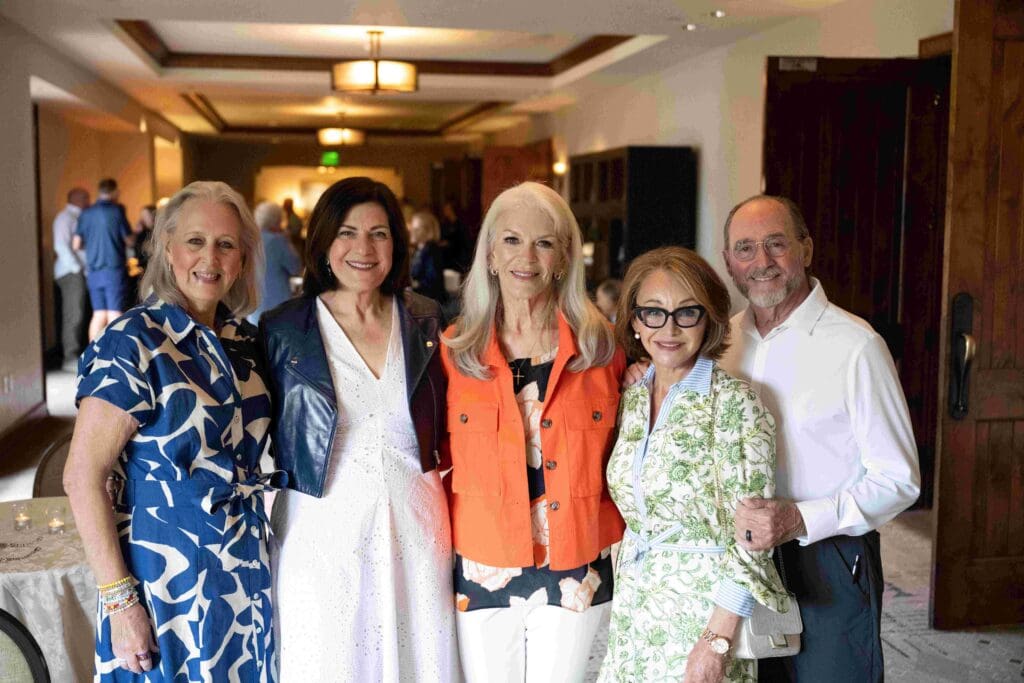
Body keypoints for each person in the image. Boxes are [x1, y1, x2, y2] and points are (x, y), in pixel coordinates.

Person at [63, 181, 279, 679]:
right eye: (195, 241)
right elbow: (82, 477)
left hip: (245, 567)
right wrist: (121, 604)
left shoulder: (245, 342)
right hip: (164, 578)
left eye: (226, 244)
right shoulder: (132, 341)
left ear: (243, 259)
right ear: (166, 248)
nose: (211, 258)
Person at [261, 177, 458, 680]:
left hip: (416, 525)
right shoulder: (283, 328)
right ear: (324, 243)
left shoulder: (427, 320)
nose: (363, 249)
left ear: (397, 242)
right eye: (347, 233)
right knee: (327, 657)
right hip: (320, 529)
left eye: (379, 233)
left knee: (418, 658)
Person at [719, 195, 920, 682]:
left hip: (827, 556)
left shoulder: (857, 346)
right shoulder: (718, 343)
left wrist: (798, 519)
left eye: (776, 244)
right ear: (728, 262)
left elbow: (899, 480)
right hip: (734, 558)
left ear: (806, 249)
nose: (761, 262)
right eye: (745, 248)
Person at [441, 181, 626, 682]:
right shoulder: (454, 351)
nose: (527, 257)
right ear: (491, 255)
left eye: (544, 242)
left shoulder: (602, 347)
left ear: (565, 255)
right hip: (484, 560)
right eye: (512, 240)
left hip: (576, 559)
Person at [598, 247, 790, 683]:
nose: (669, 328)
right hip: (634, 616)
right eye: (653, 312)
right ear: (633, 320)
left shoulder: (737, 406)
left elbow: (753, 540)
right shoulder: (628, 399)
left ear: (710, 321)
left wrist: (716, 643)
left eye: (687, 313)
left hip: (703, 620)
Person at [73, 178, 133, 340]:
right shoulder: (117, 211)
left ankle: (93, 357)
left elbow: (76, 244)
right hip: (113, 270)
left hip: (93, 272)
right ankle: (114, 356)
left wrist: (93, 247)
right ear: (115, 192)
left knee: (98, 314)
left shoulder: (86, 213)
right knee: (115, 314)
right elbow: (129, 240)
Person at [53, 186, 90, 368]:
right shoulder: (65, 218)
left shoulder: (79, 217)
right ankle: (69, 356)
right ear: (76, 199)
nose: (88, 201)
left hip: (79, 273)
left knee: (80, 313)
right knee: (73, 314)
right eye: (86, 197)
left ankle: (76, 353)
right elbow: (61, 245)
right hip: (70, 273)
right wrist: (77, 269)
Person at [247, 200, 301, 324]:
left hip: (254, 302)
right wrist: (288, 241)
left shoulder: (250, 239)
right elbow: (295, 267)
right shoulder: (279, 240)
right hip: (276, 301)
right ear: (278, 220)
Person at [409, 210, 447, 303]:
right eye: (412, 228)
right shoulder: (418, 249)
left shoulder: (432, 250)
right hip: (420, 299)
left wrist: (413, 284)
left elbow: (432, 281)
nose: (412, 232)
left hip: (431, 302)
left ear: (427, 231)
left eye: (416, 229)